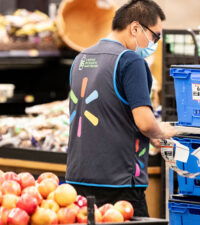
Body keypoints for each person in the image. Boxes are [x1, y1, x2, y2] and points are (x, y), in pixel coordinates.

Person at [66, 0, 177, 217]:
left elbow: (108, 109)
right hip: (119, 182)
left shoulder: (81, 58)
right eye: (154, 36)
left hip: (77, 177)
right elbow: (144, 121)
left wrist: (151, 133)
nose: (154, 42)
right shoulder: (130, 61)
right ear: (135, 28)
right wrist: (161, 132)